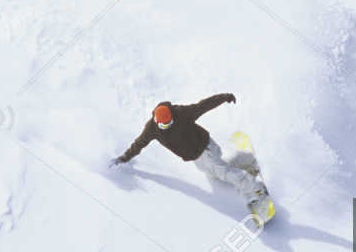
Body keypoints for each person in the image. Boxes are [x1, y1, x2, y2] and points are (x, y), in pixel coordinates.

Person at [112, 93, 273, 223]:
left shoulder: (180, 113)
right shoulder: (151, 128)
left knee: (223, 173)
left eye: (170, 122)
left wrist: (223, 97)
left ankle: (255, 190)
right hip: (197, 158)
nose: (168, 125)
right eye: (164, 125)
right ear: (157, 120)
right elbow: (139, 143)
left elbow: (202, 105)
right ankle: (246, 160)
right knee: (217, 177)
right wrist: (124, 157)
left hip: (205, 149)